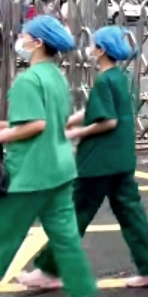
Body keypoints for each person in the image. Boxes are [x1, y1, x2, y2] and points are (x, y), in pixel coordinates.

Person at [18, 27, 148, 291]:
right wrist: (71, 120)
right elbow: (97, 110)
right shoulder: (122, 78)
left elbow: (108, 120)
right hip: (121, 159)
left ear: (101, 50)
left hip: (98, 161)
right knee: (132, 215)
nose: (89, 49)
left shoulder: (104, 81)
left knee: (74, 215)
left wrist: (76, 132)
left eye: (93, 45)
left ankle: (49, 270)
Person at [0, 16, 97, 297]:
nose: (20, 39)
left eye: (24, 35)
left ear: (38, 42)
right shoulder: (56, 76)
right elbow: (51, 120)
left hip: (29, 174)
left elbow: (35, 125)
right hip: (59, 170)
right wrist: (5, 127)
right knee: (67, 243)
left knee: (3, 237)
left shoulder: (28, 80)